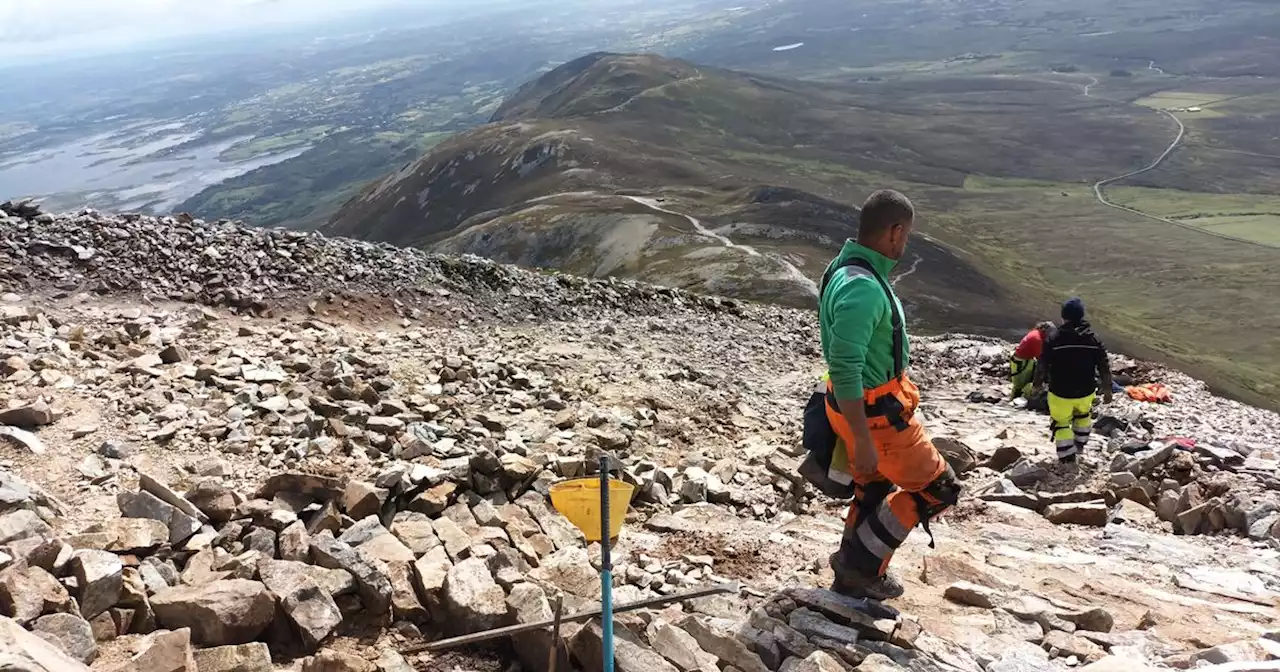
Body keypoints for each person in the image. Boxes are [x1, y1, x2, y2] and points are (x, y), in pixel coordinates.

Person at [818, 189, 961, 600]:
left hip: (858, 411)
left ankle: (849, 576)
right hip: (876, 417)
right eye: (907, 236)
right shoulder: (863, 288)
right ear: (896, 233)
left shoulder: (843, 268)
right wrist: (862, 439)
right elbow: (846, 368)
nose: (906, 243)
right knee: (939, 489)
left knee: (873, 489)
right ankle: (862, 569)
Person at [1034, 298, 1113, 463]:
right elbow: (1104, 366)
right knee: (1083, 416)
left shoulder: (1054, 339)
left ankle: (1066, 457)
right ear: (1082, 316)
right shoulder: (1093, 339)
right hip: (1086, 391)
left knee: (1061, 422)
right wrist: (1107, 390)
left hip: (1059, 392)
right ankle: (1080, 445)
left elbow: (1042, 364)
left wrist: (1037, 385)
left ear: (1064, 317)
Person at [1010, 321, 1055, 400]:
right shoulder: (1037, 338)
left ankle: (1015, 397)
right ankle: (1018, 398)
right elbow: (1040, 357)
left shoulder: (1035, 333)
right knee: (1020, 384)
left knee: (1019, 384)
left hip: (1025, 359)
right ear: (1045, 330)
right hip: (1021, 362)